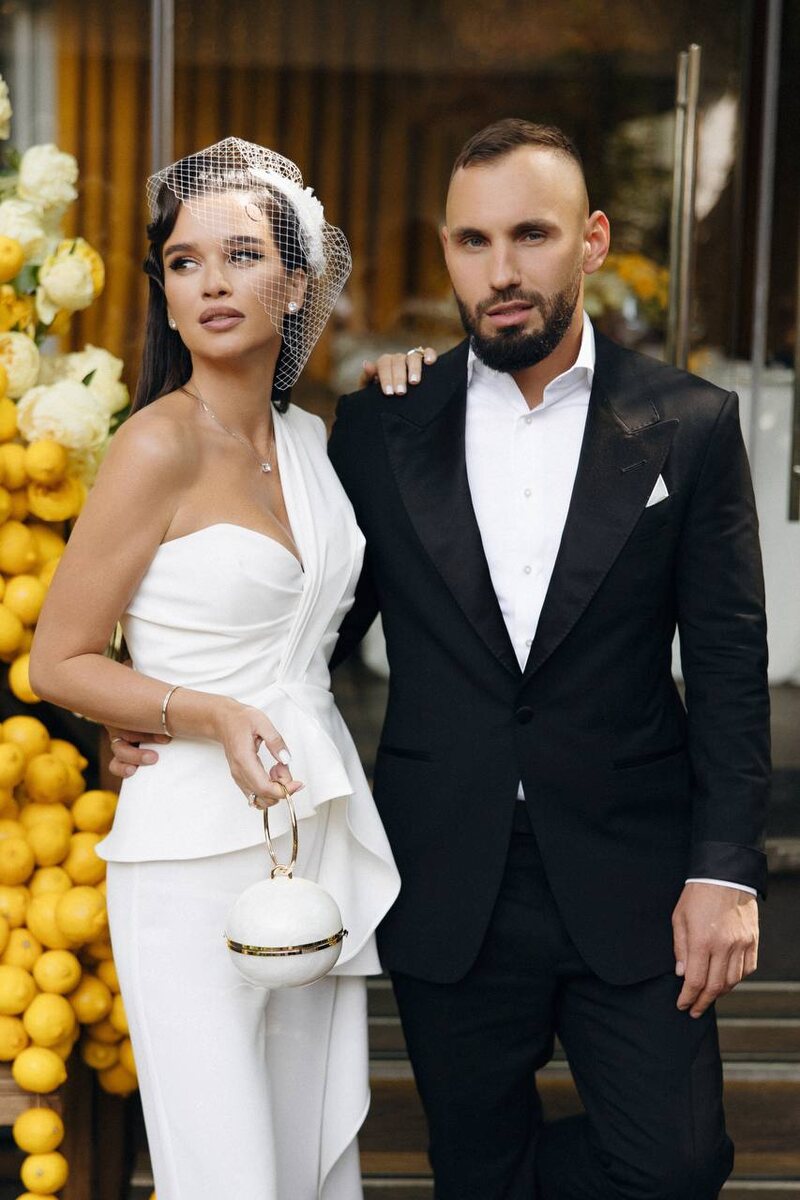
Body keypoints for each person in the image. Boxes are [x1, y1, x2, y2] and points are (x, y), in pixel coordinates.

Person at [111, 119, 769, 1200]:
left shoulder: (690, 423)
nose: (499, 271)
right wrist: (151, 712)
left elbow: (732, 667)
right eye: (472, 241)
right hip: (445, 871)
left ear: (593, 241)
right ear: (446, 253)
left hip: (638, 878)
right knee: (473, 1167)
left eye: (530, 235)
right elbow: (305, 628)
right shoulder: (381, 427)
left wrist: (724, 871)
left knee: (676, 1163)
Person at [29, 137, 403, 1200]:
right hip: (188, 848)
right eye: (184, 263)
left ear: (297, 283)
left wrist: (412, 378)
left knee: (303, 1155)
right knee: (225, 1170)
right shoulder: (157, 444)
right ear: (165, 290)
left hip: (307, 830)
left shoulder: (315, 442)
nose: (210, 283)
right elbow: (58, 659)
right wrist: (208, 714)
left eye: (241, 256)